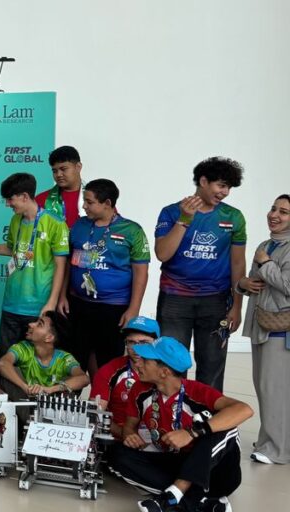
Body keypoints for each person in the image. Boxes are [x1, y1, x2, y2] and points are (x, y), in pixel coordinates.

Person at [110, 337, 253, 512]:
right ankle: (200, 502)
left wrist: (191, 433)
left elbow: (244, 409)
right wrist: (129, 435)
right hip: (175, 461)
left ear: (164, 372)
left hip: (213, 472)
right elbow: (129, 426)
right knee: (115, 454)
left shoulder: (197, 392)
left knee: (224, 427)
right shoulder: (140, 390)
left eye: (145, 361)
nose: (138, 363)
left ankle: (176, 494)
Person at [154, 157, 246, 391]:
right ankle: (171, 412)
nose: (225, 192)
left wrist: (237, 306)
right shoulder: (171, 212)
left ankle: (207, 414)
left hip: (216, 300)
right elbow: (163, 254)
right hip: (174, 299)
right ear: (203, 181)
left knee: (212, 365)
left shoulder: (234, 217)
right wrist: (184, 220)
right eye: (221, 185)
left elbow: (238, 263)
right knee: (171, 365)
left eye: (228, 187)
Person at [58, 178, 150, 374]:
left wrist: (133, 309)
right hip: (78, 304)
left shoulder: (132, 230)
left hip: (113, 307)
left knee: (108, 362)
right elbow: (67, 263)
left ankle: (103, 393)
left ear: (107, 203)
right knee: (74, 359)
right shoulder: (79, 226)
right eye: (84, 201)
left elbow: (141, 272)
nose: (84, 206)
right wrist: (62, 296)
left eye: (89, 202)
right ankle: (71, 393)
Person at [238, 194, 290, 464]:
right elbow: (256, 284)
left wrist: (266, 263)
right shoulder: (266, 244)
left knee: (274, 389)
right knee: (265, 387)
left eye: (284, 212)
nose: (275, 215)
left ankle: (277, 450)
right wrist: (243, 285)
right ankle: (271, 439)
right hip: (262, 325)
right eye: (273, 209)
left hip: (281, 329)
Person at [0, 172, 70, 349]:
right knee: (7, 357)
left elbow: (61, 265)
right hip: (11, 304)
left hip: (39, 307)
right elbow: (12, 249)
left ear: (24, 196)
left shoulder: (55, 223)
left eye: (10, 199)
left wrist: (52, 302)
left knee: (35, 359)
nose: (7, 204)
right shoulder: (15, 220)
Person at [88, 316, 160, 437]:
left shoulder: (166, 371)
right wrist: (125, 435)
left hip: (158, 439)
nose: (137, 348)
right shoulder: (109, 370)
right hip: (117, 438)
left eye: (144, 342)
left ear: (156, 343)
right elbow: (95, 414)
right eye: (131, 342)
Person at [0, 311, 88, 398]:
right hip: (23, 399)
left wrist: (50, 389)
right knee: (10, 373)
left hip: (50, 403)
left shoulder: (64, 358)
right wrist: (25, 388)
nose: (30, 324)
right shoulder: (23, 348)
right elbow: (2, 364)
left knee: (70, 386)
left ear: (49, 337)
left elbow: (84, 378)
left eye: (39, 324)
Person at [35, 145, 85, 227]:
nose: (58, 174)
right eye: (54, 171)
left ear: (78, 167)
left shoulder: (97, 198)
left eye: (63, 169)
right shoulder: (41, 200)